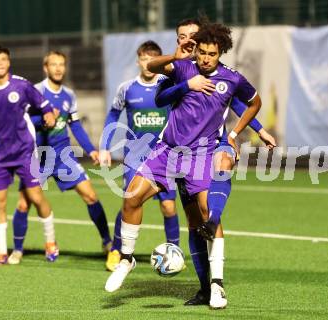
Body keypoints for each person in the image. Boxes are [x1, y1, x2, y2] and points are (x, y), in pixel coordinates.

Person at [104, 22, 262, 310]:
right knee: (131, 197)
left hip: (201, 156)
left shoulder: (232, 79)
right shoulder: (184, 67)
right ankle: (126, 259)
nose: (205, 58)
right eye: (201, 52)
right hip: (166, 152)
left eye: (211, 54)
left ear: (220, 52)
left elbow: (253, 103)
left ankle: (216, 286)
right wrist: (176, 58)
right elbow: (151, 66)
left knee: (206, 216)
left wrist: (235, 133)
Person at [154, 18, 276, 306]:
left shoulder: (225, 75)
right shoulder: (179, 68)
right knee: (193, 221)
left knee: (220, 173)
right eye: (183, 37)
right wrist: (185, 82)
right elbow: (161, 97)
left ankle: (218, 282)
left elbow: (234, 100)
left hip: (211, 146)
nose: (192, 44)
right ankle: (204, 288)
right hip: (178, 151)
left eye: (194, 38)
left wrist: (251, 131)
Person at [8, 51, 112, 264]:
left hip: (63, 155)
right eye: (53, 64)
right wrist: (43, 120)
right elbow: (22, 121)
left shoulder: (69, 95)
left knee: (91, 195)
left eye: (61, 64)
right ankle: (17, 250)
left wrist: (90, 149)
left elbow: (74, 124)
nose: (58, 68)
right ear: (45, 68)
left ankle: (107, 243)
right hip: (37, 156)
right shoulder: (34, 91)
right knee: (23, 205)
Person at [100, 41, 180, 272]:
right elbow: (113, 115)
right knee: (130, 201)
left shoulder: (168, 85)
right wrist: (105, 146)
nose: (147, 63)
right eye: (144, 59)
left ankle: (174, 253)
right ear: (138, 60)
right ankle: (117, 250)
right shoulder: (127, 88)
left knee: (168, 206)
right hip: (135, 157)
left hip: (165, 156)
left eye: (152, 59)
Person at [0, 46, 57, 264]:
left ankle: (50, 242)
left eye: (3, 59)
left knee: (36, 197)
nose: (0, 63)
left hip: (24, 152)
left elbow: (45, 105)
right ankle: (2, 252)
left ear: (9, 63)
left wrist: (49, 114)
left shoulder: (22, 85)